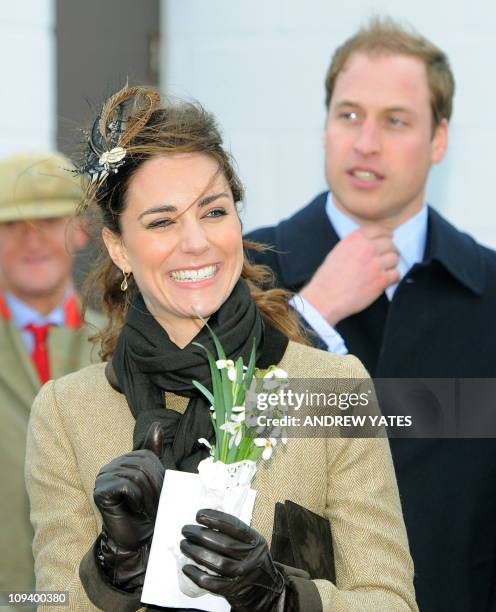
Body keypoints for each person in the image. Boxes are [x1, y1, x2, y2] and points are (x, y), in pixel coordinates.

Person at [25, 85, 417, 611]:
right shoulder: (67, 413)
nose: (196, 242)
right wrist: (112, 566)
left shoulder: (330, 388)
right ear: (119, 247)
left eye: (213, 211)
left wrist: (282, 598)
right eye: (162, 221)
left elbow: (392, 601)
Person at [246, 17, 496, 612]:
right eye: (349, 114)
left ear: (439, 140)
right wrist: (313, 311)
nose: (365, 143)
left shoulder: (488, 293)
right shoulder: (246, 271)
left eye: (395, 121)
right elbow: (214, 445)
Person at [0, 151, 103, 600]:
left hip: (96, 601)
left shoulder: (120, 345)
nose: (33, 241)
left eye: (49, 221)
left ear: (81, 229)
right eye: (11, 225)